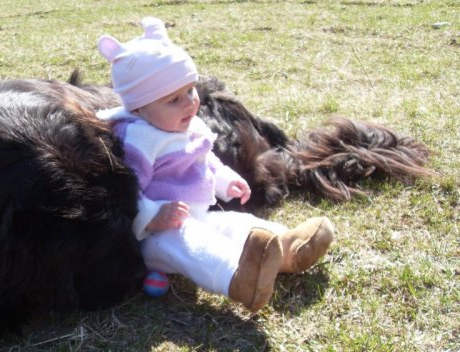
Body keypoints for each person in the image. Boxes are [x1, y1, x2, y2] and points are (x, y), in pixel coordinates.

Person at [96, 17, 334, 312]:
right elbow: (128, 190)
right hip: (156, 236)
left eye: (190, 90)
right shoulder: (137, 139)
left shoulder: (182, 124)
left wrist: (225, 180)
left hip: (195, 214)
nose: (190, 103)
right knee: (192, 244)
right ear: (140, 107)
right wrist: (153, 216)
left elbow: (205, 157)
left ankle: (288, 248)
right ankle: (237, 277)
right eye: (173, 99)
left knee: (235, 224)